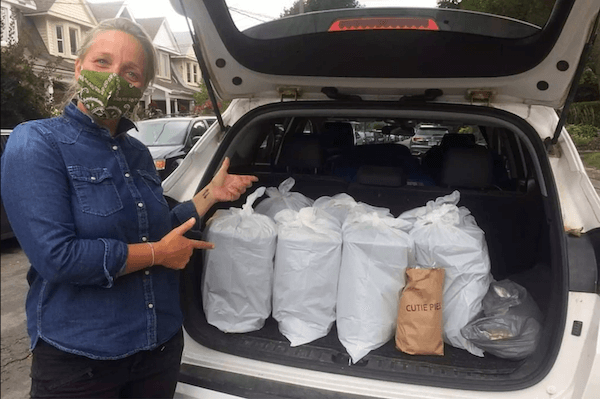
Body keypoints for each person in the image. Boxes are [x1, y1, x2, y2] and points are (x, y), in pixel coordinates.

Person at [0, 18, 257, 399]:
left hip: (160, 347)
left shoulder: (137, 153)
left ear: (142, 86)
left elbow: (156, 231)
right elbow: (56, 257)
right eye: (103, 62)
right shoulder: (36, 141)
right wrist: (158, 254)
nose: (115, 77)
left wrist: (208, 197)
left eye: (131, 72)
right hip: (82, 361)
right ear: (79, 66)